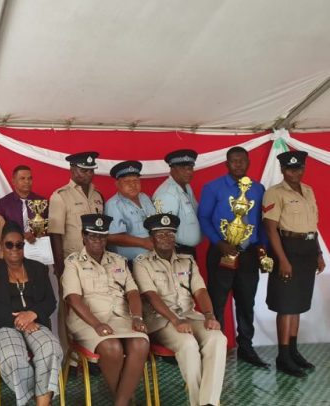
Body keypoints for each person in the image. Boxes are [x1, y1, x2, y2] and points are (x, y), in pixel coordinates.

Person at [133, 213, 227, 406]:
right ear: (151, 238)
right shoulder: (142, 263)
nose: (166, 238)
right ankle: (198, 402)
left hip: (190, 315)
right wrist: (176, 321)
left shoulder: (188, 261)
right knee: (188, 344)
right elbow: (151, 296)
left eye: (170, 234)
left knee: (218, 338)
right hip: (162, 321)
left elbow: (200, 291)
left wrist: (210, 315)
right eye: (160, 235)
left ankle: (208, 402)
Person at [62, 214, 149, 406]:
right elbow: (73, 299)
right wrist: (97, 324)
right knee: (112, 348)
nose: (98, 241)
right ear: (83, 237)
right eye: (93, 236)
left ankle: (120, 402)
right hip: (88, 321)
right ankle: (126, 400)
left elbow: (133, 291)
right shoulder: (73, 262)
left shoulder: (118, 260)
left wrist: (137, 317)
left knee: (141, 343)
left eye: (102, 237)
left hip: (121, 318)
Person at [197, 146, 269, 368]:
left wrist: (262, 249)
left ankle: (246, 347)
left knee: (246, 302)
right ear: (227, 164)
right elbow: (204, 218)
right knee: (217, 302)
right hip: (221, 252)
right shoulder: (213, 188)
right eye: (233, 161)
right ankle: (216, 348)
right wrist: (219, 243)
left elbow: (261, 222)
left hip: (248, 254)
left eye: (242, 161)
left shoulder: (258, 188)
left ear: (248, 162)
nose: (238, 164)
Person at [0, 223, 62, 406]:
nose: (14, 249)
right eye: (9, 244)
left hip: (35, 321)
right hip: (3, 325)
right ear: (1, 245)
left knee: (51, 348)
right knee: (13, 358)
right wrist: (20, 319)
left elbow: (50, 302)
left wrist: (32, 314)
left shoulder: (38, 268)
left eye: (19, 244)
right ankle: (40, 396)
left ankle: (41, 403)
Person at [262, 150, 324, 377]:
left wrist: (318, 253)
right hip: (287, 249)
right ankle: (283, 356)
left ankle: (294, 351)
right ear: (282, 170)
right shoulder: (274, 193)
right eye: (290, 168)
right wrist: (283, 260)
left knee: (298, 304)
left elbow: (312, 226)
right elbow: (270, 229)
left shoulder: (308, 191)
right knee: (286, 305)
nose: (294, 172)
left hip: (307, 250)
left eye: (298, 168)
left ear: (303, 169)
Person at [48, 152, 104, 269]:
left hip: (98, 259)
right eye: (83, 171)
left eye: (91, 170)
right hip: (73, 261)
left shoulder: (98, 196)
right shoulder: (60, 196)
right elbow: (55, 235)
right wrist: (60, 268)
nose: (89, 174)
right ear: (72, 170)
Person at [153, 149, 201, 257]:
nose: (188, 172)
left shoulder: (186, 186)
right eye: (182, 168)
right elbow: (163, 231)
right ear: (172, 169)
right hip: (175, 251)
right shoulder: (167, 193)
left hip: (186, 251)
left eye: (190, 168)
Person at [105, 160, 156, 262]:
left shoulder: (145, 198)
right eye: (127, 182)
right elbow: (112, 237)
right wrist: (144, 243)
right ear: (117, 184)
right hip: (130, 262)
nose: (133, 185)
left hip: (154, 258)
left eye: (135, 181)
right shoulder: (113, 205)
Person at [0, 165, 47, 244]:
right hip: (13, 249)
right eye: (22, 178)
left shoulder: (42, 202)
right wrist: (20, 236)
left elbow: (49, 228)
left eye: (29, 178)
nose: (27, 181)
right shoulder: (2, 204)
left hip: (38, 246)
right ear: (13, 181)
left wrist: (37, 234)